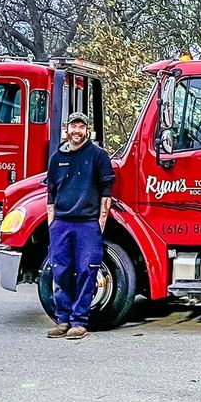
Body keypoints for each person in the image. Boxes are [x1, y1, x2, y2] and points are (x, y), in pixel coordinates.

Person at [45, 111, 115, 340]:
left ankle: (79, 321)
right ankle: (62, 319)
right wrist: (52, 223)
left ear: (87, 130)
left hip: (87, 224)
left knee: (86, 270)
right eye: (73, 126)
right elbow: (51, 191)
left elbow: (106, 191)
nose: (77, 131)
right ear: (67, 129)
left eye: (81, 127)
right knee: (60, 271)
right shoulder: (57, 157)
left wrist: (100, 221)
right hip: (61, 224)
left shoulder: (97, 155)